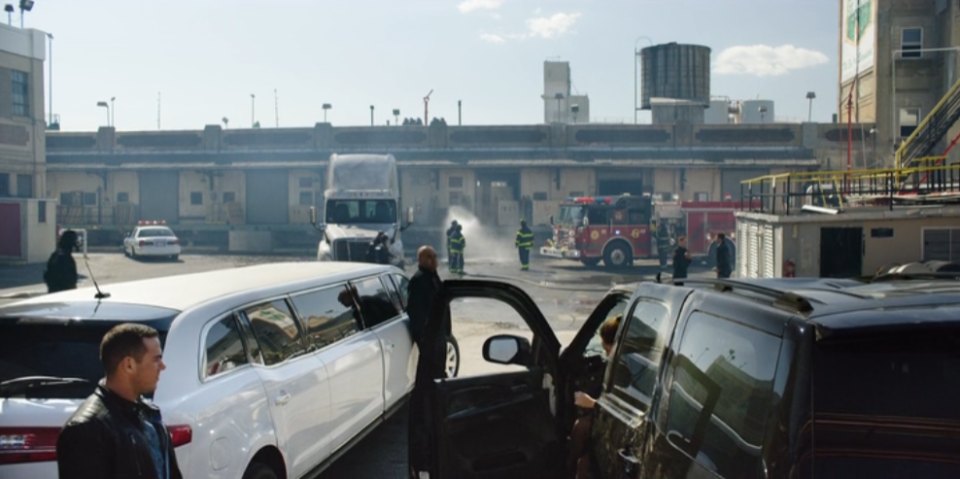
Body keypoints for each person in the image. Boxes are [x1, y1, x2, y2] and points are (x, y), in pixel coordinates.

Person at [56, 323, 182, 479]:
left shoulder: (150, 415)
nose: (162, 367)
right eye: (156, 359)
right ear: (129, 365)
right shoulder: (87, 429)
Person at [406, 246, 447, 478]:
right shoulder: (419, 281)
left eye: (435, 256)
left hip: (439, 343)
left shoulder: (433, 279)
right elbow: (417, 313)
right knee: (425, 394)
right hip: (430, 347)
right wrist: (425, 342)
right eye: (429, 257)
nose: (434, 260)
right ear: (421, 259)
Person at [568, 315, 622, 479]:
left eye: (606, 348)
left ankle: (567, 467)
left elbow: (621, 408)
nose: (605, 353)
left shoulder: (627, 370)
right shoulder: (621, 365)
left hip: (621, 426)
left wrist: (591, 404)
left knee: (581, 427)